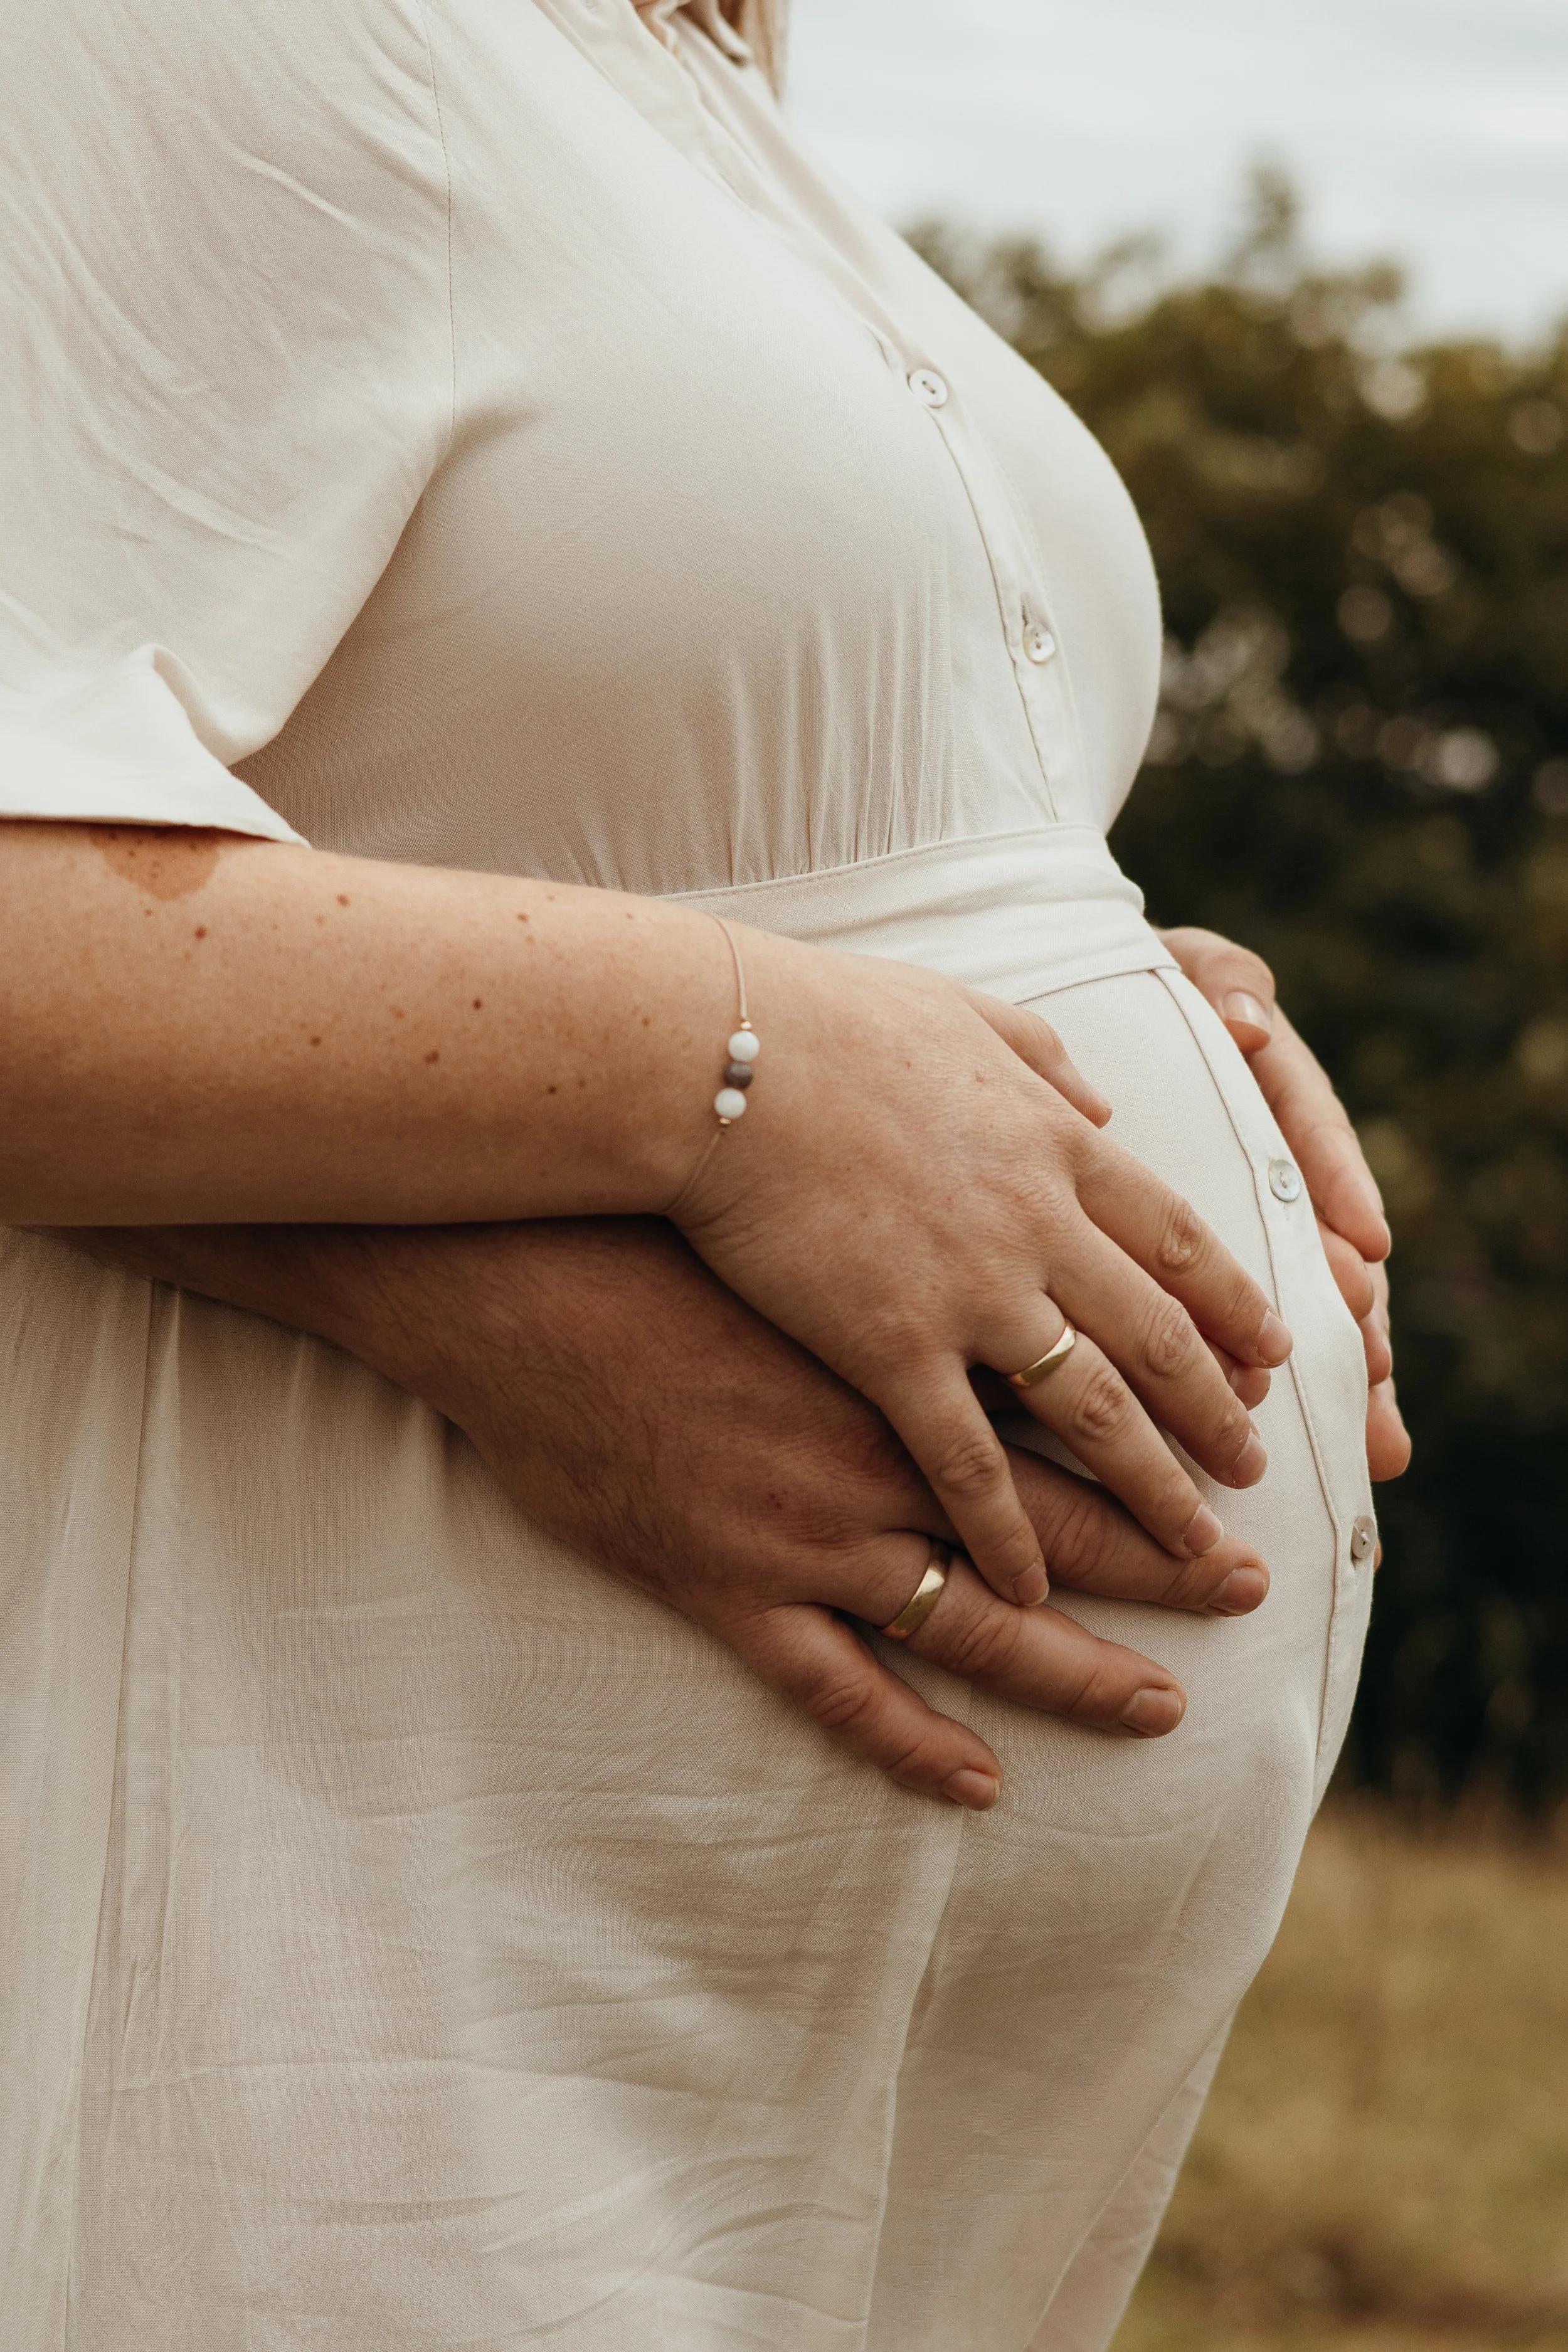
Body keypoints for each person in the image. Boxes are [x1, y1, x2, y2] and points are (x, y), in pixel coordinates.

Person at [0, 0, 1402, 2344]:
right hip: (409, 1894)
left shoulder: (687, 82)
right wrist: (737, 1066)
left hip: (865, 2057)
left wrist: (1101, 1001)